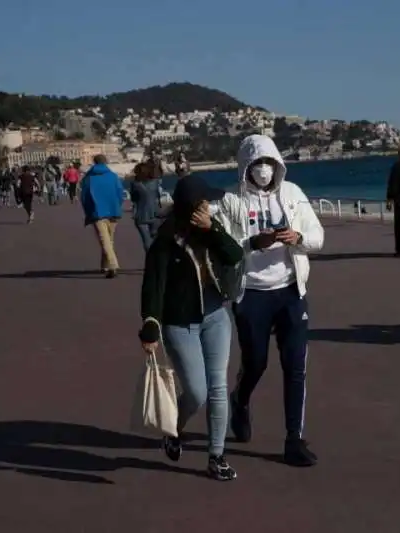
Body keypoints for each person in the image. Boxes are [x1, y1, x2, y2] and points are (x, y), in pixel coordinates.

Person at [214, 134, 325, 467]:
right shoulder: (231, 200)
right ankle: (240, 399)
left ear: (278, 164)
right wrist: (252, 243)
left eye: (269, 163)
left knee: (295, 367)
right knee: (257, 363)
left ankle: (294, 439)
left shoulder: (292, 195)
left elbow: (318, 237)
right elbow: (224, 248)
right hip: (251, 295)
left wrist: (299, 238)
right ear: (245, 166)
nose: (263, 170)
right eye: (257, 164)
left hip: (291, 291)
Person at [139, 174, 244, 481]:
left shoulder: (212, 229)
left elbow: (235, 255)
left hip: (216, 317)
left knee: (218, 388)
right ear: (191, 207)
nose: (209, 207)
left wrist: (212, 231)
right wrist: (150, 325)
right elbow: (153, 287)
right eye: (204, 203)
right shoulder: (165, 242)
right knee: (197, 391)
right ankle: (174, 429)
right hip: (179, 323)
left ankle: (216, 456)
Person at [80, 155, 125, 278]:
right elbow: (120, 193)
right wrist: (117, 206)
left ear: (94, 162)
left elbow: (84, 197)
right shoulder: (113, 176)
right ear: (106, 162)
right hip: (113, 211)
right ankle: (107, 265)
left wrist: (88, 212)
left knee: (104, 239)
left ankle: (111, 265)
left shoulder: (88, 178)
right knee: (109, 239)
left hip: (97, 212)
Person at [128, 161, 164, 252]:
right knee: (157, 239)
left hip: (141, 214)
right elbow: (158, 195)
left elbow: (133, 198)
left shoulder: (135, 184)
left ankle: (150, 261)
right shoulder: (155, 182)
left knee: (146, 241)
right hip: (155, 213)